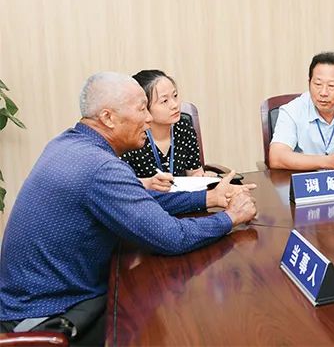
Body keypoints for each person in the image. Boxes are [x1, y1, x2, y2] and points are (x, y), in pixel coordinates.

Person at [0, 72, 257, 345]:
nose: (148, 119)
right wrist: (231, 217)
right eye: (141, 109)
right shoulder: (101, 167)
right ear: (108, 118)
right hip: (44, 316)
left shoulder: (69, 143)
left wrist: (208, 198)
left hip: (39, 298)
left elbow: (136, 203)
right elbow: (171, 237)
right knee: (169, 322)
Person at [121, 70, 205, 191]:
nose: (174, 105)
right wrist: (148, 183)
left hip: (182, 198)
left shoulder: (183, 127)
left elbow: (194, 170)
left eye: (175, 96)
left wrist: (199, 176)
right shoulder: (132, 136)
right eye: (164, 101)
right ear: (144, 107)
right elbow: (121, 184)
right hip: (146, 199)